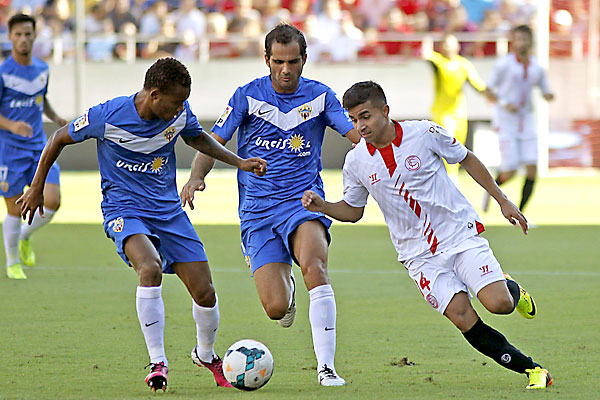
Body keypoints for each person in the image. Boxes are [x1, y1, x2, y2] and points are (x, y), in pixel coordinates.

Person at [18, 58, 267, 392]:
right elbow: (58, 139)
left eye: (184, 102)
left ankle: (206, 355)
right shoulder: (107, 115)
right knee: (149, 268)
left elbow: (198, 138)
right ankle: (158, 362)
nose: (181, 108)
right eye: (176, 102)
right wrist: (37, 186)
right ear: (154, 95)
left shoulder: (178, 114)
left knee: (205, 292)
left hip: (168, 212)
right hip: (124, 209)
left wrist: (239, 162)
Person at [301, 81, 553, 390]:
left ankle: (510, 287)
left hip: (458, 236)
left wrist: (502, 200)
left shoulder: (424, 133)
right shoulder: (356, 161)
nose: (360, 126)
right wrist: (323, 206)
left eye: (365, 116)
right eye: (353, 120)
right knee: (462, 317)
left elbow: (466, 158)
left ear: (385, 111)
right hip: (418, 256)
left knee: (499, 304)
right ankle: (533, 370)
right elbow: (353, 211)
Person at [180, 23, 360, 386]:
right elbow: (214, 141)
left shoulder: (321, 96)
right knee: (276, 308)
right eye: (278, 62)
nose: (286, 69)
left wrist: (387, 153)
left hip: (303, 201)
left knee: (315, 266)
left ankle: (326, 368)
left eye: (293, 61)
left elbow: (356, 135)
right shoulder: (247, 96)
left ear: (304, 59)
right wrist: (196, 176)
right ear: (267, 60)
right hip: (258, 211)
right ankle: (285, 286)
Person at [0, 13, 69, 280]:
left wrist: (56, 118)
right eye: (18, 34)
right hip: (10, 150)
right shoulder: (4, 73)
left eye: (28, 34)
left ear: (35, 35)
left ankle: (23, 236)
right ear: (10, 37)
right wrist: (11, 125)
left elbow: (41, 99)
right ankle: (13, 263)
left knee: (53, 201)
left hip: (40, 147)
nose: (23, 39)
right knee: (15, 208)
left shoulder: (42, 69)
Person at [481, 25, 554, 212]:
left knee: (532, 169)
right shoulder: (504, 65)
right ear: (513, 42)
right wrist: (505, 103)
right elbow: (487, 90)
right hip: (507, 121)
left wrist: (548, 95)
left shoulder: (537, 67)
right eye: (518, 39)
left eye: (525, 39)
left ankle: (521, 214)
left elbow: (545, 89)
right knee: (510, 170)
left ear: (530, 41)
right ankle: (490, 190)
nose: (521, 43)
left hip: (527, 120)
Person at [423, 33, 491, 185]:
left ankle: (448, 177)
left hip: (459, 112)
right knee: (448, 142)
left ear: (457, 46)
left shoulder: (464, 64)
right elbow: (426, 55)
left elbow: (477, 84)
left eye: (451, 44)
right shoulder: (438, 61)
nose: (449, 47)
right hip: (442, 112)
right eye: (446, 44)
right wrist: (428, 39)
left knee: (458, 145)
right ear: (441, 47)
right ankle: (451, 178)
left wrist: (489, 95)